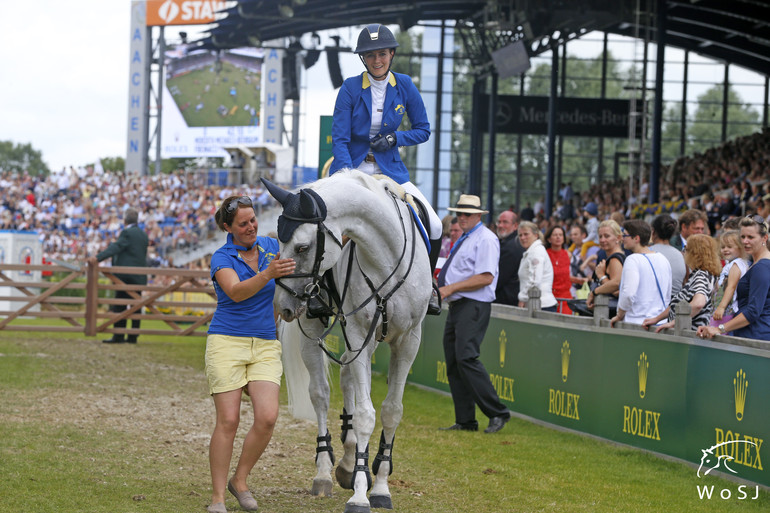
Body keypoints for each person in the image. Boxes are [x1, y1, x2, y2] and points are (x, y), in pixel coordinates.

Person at [329, 23, 441, 313]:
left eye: (382, 54)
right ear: (363, 59)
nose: (376, 61)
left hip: (390, 172)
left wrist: (396, 138)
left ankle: (428, 287)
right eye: (370, 55)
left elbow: (424, 129)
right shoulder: (350, 88)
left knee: (435, 224)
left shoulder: (404, 85)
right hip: (352, 169)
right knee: (323, 227)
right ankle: (321, 293)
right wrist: (344, 178)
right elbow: (339, 139)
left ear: (391, 54)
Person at [204, 195, 297, 513]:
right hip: (226, 343)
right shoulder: (222, 257)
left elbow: (304, 256)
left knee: (268, 417)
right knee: (228, 421)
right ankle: (217, 498)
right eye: (242, 223)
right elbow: (236, 292)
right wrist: (269, 274)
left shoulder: (272, 247)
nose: (250, 227)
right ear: (228, 227)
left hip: (265, 343)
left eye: (253, 220)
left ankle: (239, 480)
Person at [437, 194, 510, 434]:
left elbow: (486, 277)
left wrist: (450, 288)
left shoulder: (486, 239)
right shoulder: (468, 237)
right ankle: (466, 420)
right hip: (460, 304)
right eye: (460, 213)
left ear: (479, 215)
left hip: (473, 303)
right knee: (455, 361)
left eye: (467, 214)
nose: (462, 218)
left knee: (466, 358)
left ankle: (497, 412)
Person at [698, 216, 770, 341]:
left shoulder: (761, 266)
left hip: (756, 336)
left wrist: (719, 328)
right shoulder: (756, 264)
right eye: (742, 237)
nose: (745, 241)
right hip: (752, 334)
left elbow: (753, 311)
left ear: (764, 238)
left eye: (751, 237)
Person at [643, 234, 720, 333]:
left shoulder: (700, 276)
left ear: (695, 254)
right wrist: (657, 319)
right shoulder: (705, 274)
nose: (683, 253)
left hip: (690, 336)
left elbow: (699, 303)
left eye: (686, 249)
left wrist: (674, 322)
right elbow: (678, 304)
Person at [94, 207, 149, 344]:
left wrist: (98, 258)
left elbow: (116, 248)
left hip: (125, 276)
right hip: (139, 277)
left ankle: (118, 335)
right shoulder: (143, 235)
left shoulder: (126, 233)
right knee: (136, 307)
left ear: (125, 220)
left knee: (120, 305)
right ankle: (133, 336)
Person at [610, 220, 672, 326]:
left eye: (625, 235)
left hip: (636, 323)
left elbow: (628, 294)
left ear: (636, 238)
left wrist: (619, 315)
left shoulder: (632, 259)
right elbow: (668, 294)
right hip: (660, 323)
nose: (622, 238)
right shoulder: (663, 258)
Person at [710, 230, 750, 328]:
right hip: (722, 308)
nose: (725, 249)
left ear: (740, 248)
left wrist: (721, 307)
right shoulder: (731, 263)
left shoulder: (736, 264)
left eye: (730, 246)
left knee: (717, 336)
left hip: (726, 310)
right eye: (723, 247)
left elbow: (731, 286)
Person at [585, 220, 625, 315]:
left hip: (610, 314)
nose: (603, 240)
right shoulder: (613, 258)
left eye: (607, 236)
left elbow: (616, 288)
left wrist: (601, 276)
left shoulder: (615, 259)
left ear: (618, 238)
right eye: (600, 236)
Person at [517, 221, 557, 311]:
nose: (523, 238)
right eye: (520, 235)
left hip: (542, 305)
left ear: (536, 235)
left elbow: (535, 281)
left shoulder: (536, 252)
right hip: (536, 304)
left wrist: (523, 298)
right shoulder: (532, 251)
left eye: (526, 234)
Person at [650, 214, 687, 298]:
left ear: (653, 231)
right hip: (675, 303)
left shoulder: (648, 253)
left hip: (655, 303)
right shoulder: (680, 255)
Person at [545, 225, 578, 314]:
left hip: (566, 297)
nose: (558, 237)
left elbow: (566, 276)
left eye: (560, 235)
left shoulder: (568, 254)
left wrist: (579, 280)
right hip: (550, 297)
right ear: (549, 239)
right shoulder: (545, 254)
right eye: (555, 235)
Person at [494, 210, 524, 306]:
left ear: (515, 226)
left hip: (505, 302)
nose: (500, 225)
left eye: (505, 222)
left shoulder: (511, 247)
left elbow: (498, 279)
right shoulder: (510, 243)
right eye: (499, 222)